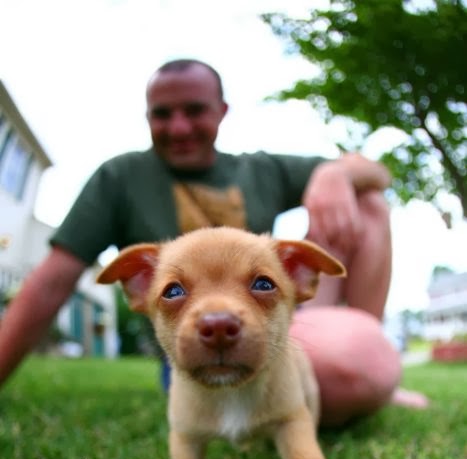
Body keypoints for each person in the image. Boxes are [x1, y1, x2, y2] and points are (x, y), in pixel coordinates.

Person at [0, 58, 427, 424]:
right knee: (350, 372)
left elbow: (377, 172)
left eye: (194, 110)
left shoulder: (260, 170)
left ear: (222, 111)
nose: (179, 127)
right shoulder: (121, 178)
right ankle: (362, 364)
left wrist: (335, 172)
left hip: (273, 326)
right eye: (162, 114)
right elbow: (51, 282)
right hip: (197, 346)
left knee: (367, 200)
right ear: (147, 117)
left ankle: (370, 354)